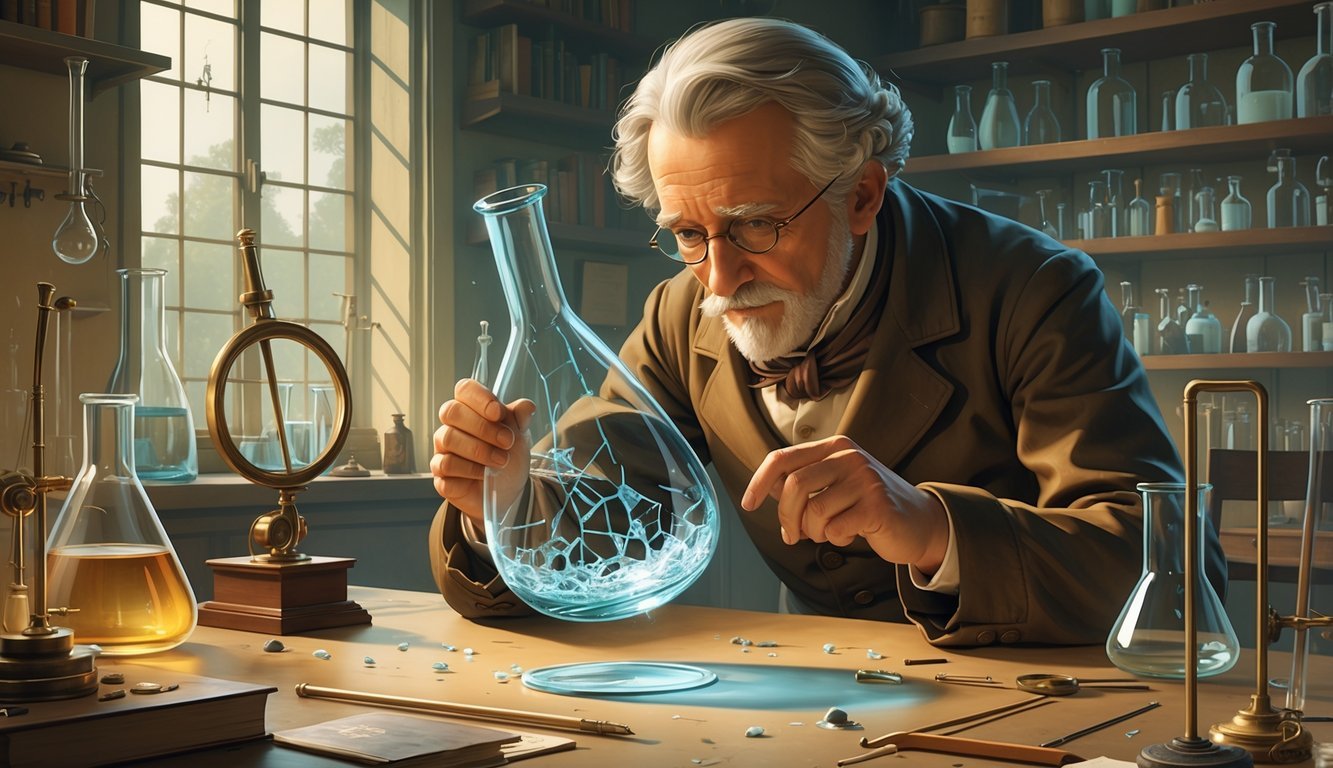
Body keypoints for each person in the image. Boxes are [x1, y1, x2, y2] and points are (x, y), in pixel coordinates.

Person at [429, 16, 1224, 645]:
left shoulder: (1030, 288)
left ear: (862, 195)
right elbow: (605, 523)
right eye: (688, 234)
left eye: (756, 225)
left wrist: (931, 527)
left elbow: (1174, 572)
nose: (718, 279)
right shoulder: (677, 315)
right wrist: (503, 502)